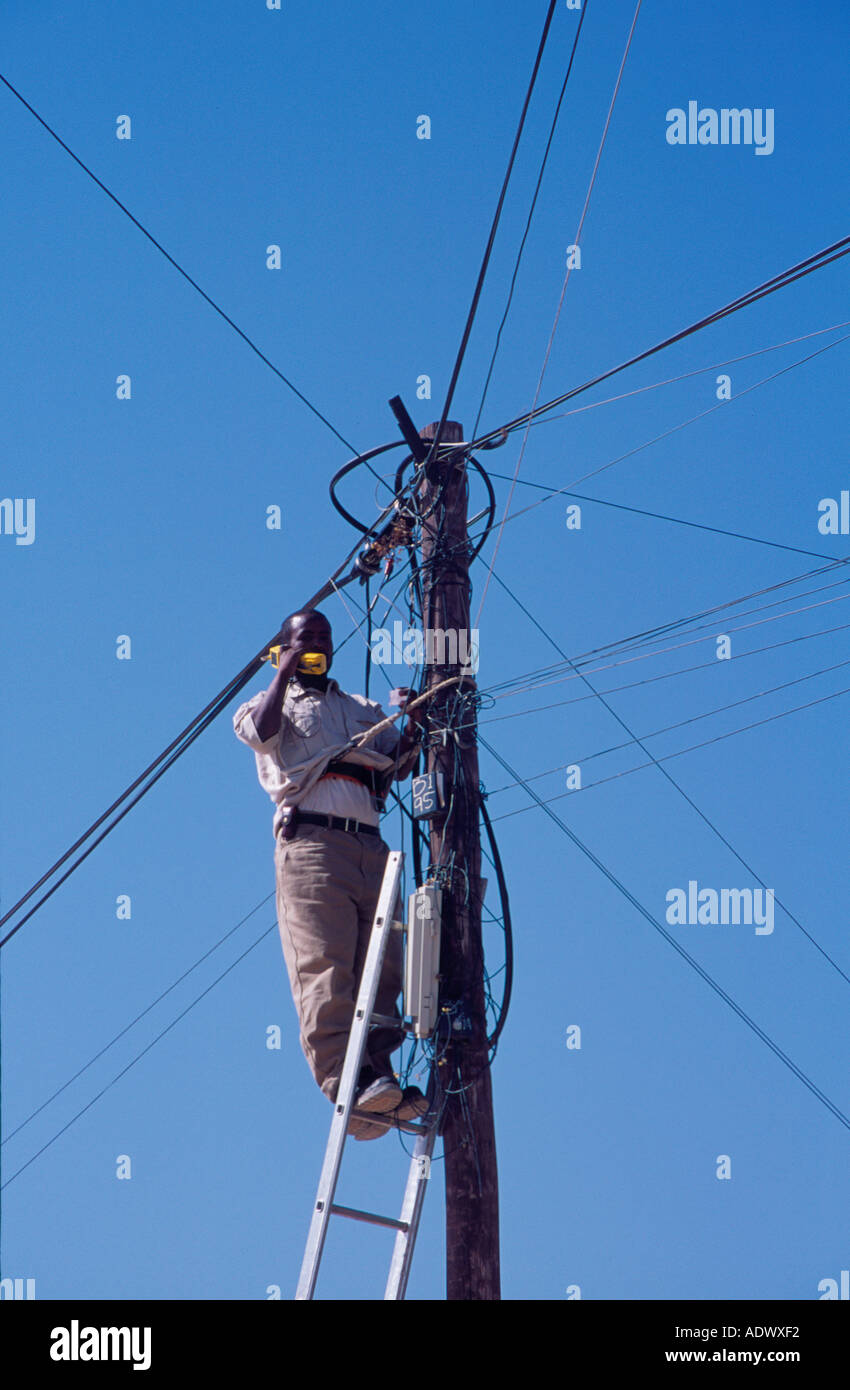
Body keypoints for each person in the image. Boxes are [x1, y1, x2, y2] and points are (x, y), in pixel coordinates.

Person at [233, 607, 428, 1140]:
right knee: (326, 966)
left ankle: (380, 1077)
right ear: (283, 647)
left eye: (323, 637)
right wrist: (282, 672)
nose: (316, 643)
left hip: (369, 842)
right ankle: (346, 1081)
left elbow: (402, 760)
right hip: (312, 842)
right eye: (304, 638)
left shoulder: (360, 707)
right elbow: (261, 731)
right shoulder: (266, 702)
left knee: (384, 966)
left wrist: (413, 719)